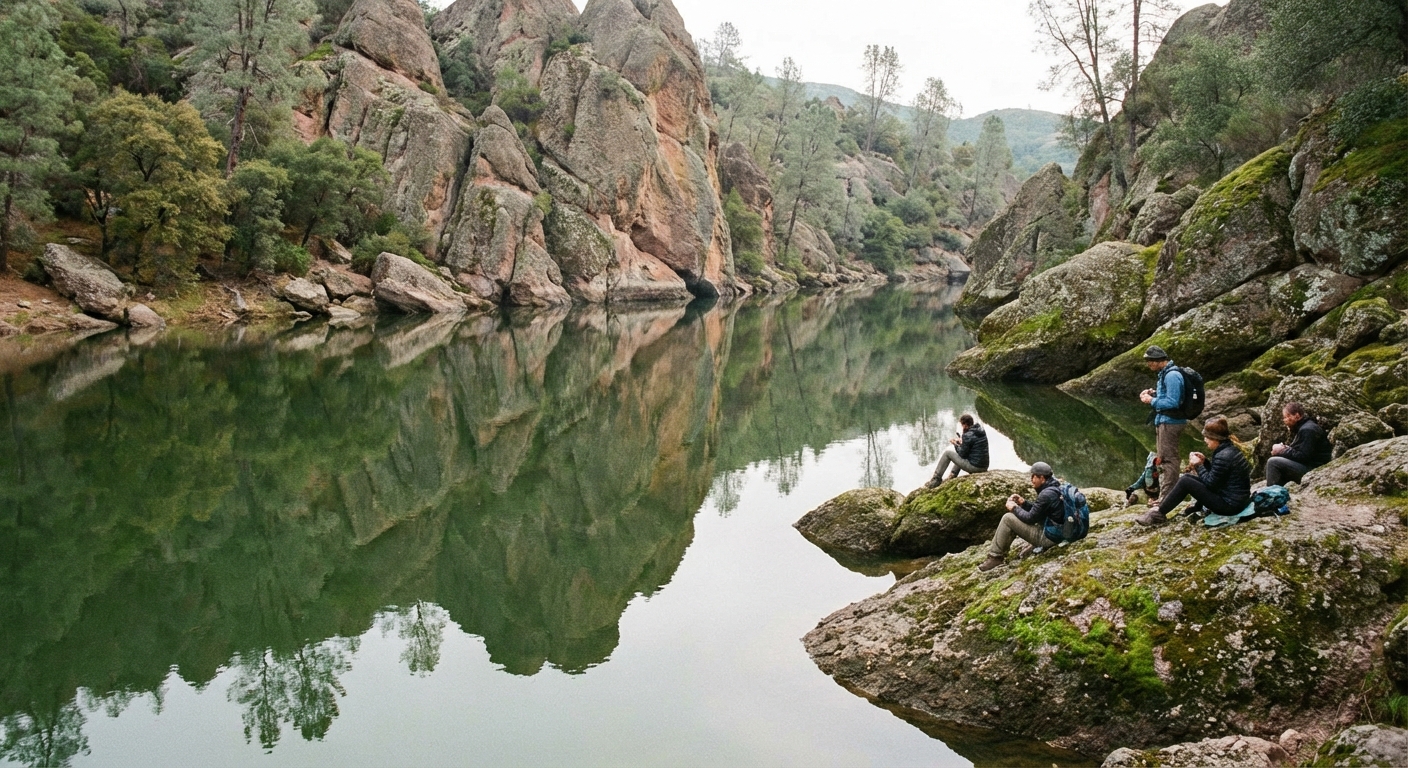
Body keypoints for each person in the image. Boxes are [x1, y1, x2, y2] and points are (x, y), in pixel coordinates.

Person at [1136, 416, 1250, 525]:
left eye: (1207, 437)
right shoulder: (1228, 449)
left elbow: (1211, 484)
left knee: (1186, 481)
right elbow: (1218, 477)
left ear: (1216, 439)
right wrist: (1205, 462)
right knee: (1187, 478)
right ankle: (1191, 508)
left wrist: (1198, 465)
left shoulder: (1223, 455)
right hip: (1237, 501)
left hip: (1230, 506)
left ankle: (1158, 514)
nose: (1205, 440)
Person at [979, 462, 1061, 572]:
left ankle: (995, 557)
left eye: (1034, 476)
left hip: (1049, 538)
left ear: (1042, 478)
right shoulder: (1055, 488)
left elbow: (1030, 518)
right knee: (1015, 518)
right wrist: (1024, 503)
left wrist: (1014, 508)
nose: (1031, 479)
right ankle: (1002, 552)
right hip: (1059, 533)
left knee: (1008, 518)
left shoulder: (1046, 494)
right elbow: (1040, 511)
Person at [1139, 345, 1186, 503]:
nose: (1149, 364)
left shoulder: (1172, 375)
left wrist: (1151, 400)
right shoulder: (1164, 374)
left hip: (1171, 422)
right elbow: (1168, 396)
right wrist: (1155, 394)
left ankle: (1168, 497)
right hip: (1164, 421)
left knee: (1169, 459)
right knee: (1163, 458)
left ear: (1160, 360)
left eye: (1151, 361)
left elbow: (1173, 402)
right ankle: (1165, 495)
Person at [1266, 402, 1332, 486]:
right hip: (1310, 465)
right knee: (1277, 459)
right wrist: (1285, 449)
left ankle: (1271, 493)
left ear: (1296, 416)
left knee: (1273, 462)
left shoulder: (1307, 430)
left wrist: (1282, 450)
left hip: (1315, 469)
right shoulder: (1304, 427)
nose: (1284, 420)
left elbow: (1303, 456)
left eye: (1286, 417)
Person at [925, 414, 989, 488]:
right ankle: (953, 475)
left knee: (947, 453)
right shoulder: (980, 431)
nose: (961, 427)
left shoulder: (967, 435)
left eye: (962, 425)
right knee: (959, 454)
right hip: (984, 466)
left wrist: (955, 443)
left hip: (975, 468)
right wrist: (962, 442)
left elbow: (962, 454)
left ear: (965, 425)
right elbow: (972, 446)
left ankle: (936, 479)